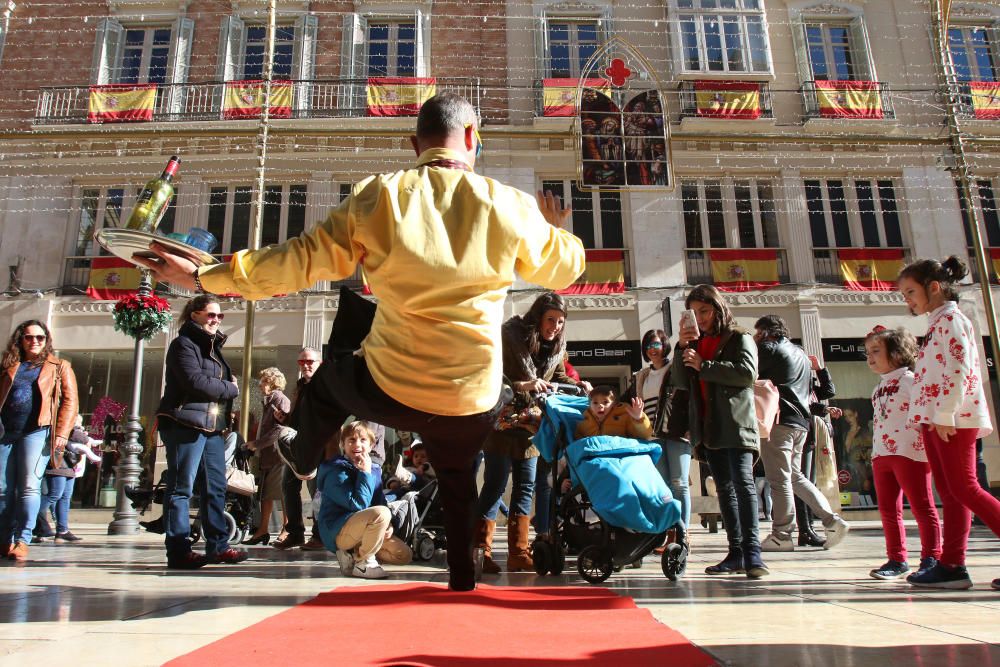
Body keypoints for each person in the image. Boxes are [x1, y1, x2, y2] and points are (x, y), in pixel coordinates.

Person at [136, 93, 586, 591]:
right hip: (470, 395)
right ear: (474, 138)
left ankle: (304, 454)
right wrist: (554, 229)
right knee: (458, 485)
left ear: (414, 145)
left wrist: (207, 276)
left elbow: (298, 260)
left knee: (329, 378)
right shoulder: (510, 205)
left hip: (394, 385)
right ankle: (462, 580)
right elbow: (567, 267)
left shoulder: (381, 195)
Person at [898, 256, 1000, 590]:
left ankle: (952, 563)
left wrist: (944, 413)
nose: (908, 300)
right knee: (952, 492)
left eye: (911, 291)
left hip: (952, 418)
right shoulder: (937, 322)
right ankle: (952, 565)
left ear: (935, 287)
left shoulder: (952, 319)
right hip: (939, 418)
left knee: (965, 487)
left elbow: (960, 368)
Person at [477, 292, 589, 574]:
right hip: (502, 421)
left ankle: (518, 552)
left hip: (532, 424)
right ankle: (480, 551)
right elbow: (493, 375)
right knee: (495, 485)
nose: (555, 327)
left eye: (561, 322)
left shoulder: (557, 347)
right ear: (538, 317)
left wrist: (581, 382)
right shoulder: (510, 336)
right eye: (551, 320)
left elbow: (560, 377)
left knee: (526, 486)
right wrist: (525, 386)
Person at [671, 285, 768, 578]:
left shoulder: (740, 337)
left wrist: (706, 365)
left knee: (743, 485)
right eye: (694, 313)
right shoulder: (696, 343)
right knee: (725, 490)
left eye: (704, 311)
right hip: (708, 426)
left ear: (717, 308)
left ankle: (753, 553)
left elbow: (747, 374)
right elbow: (680, 381)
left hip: (736, 424)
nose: (700, 318)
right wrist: (681, 348)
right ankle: (735, 552)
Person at [155, 295, 248, 569]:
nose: (215, 320)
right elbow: (195, 382)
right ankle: (178, 549)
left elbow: (209, 384)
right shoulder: (183, 344)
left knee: (216, 488)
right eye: (210, 315)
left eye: (219, 316)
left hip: (211, 427)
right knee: (181, 488)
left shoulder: (212, 347)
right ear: (194, 315)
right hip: (184, 423)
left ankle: (218, 545)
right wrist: (231, 388)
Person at [754, 315, 850, 552]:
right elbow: (816, 392)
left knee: (779, 480)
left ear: (767, 332)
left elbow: (750, 371)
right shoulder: (800, 354)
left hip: (779, 421)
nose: (755, 337)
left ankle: (782, 534)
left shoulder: (769, 348)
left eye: (758, 332)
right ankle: (832, 520)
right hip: (801, 424)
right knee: (794, 476)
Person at [863, 325, 942, 580]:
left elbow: (926, 414)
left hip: (910, 452)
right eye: (868, 352)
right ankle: (896, 558)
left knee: (922, 505)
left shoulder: (910, 381)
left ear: (897, 353)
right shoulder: (877, 389)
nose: (870, 357)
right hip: (881, 454)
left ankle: (932, 556)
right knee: (888, 509)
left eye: (876, 351)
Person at [0, 320, 78, 562]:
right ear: (19, 340)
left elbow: (70, 402)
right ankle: (4, 539)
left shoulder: (59, 366)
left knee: (28, 487)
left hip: (37, 431)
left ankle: (23, 539)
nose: (34, 341)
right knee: (3, 489)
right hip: (6, 432)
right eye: (29, 337)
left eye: (40, 337)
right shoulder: (9, 366)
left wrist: (62, 434)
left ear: (47, 340)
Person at [316, 421, 412, 579]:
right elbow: (357, 504)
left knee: (404, 554)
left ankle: (354, 555)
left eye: (363, 440)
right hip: (338, 530)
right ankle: (363, 563)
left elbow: (381, 502)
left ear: (371, 445)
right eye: (351, 440)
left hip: (364, 528)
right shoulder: (336, 470)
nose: (357, 445)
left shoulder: (374, 469)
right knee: (381, 513)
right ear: (343, 444)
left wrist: (390, 525)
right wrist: (365, 473)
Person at [624, 329, 690, 529]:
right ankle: (670, 529)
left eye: (656, 345)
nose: (652, 350)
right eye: (649, 346)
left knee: (679, 483)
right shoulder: (642, 375)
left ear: (664, 346)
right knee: (662, 486)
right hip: (651, 435)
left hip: (677, 431)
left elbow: (688, 398)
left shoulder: (676, 369)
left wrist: (691, 426)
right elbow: (624, 401)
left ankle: (683, 532)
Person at [274, 347, 323, 551]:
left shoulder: (324, 386)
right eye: (302, 362)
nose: (306, 365)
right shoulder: (300, 386)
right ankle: (295, 533)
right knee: (288, 486)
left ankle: (320, 535)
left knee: (316, 492)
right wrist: (286, 418)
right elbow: (298, 417)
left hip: (315, 445)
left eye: (310, 361)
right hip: (296, 445)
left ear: (320, 363)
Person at [35, 415, 101, 543]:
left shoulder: (74, 429)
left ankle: (62, 530)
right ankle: (26, 515)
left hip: (69, 465)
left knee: (65, 497)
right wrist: (86, 438)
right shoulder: (65, 425)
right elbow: (77, 436)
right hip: (58, 464)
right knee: (54, 495)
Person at [244, 368, 291, 545]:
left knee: (282, 493)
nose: (260, 384)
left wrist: (257, 444)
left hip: (278, 456)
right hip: (267, 456)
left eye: (264, 380)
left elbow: (280, 429)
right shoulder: (268, 401)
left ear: (273, 382)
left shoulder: (280, 399)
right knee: (266, 494)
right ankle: (263, 530)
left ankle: (287, 528)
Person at [575, 386, 651, 440]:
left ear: (615, 404)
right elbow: (578, 443)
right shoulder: (584, 421)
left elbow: (644, 437)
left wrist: (639, 419)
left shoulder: (624, 417)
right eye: (595, 403)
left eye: (605, 402)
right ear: (590, 405)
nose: (600, 406)